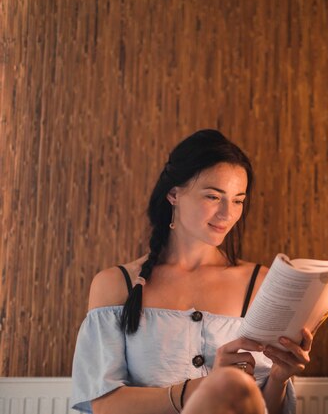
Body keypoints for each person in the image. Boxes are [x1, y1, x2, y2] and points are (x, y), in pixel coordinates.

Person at [71, 129, 312, 414]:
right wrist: (199, 390)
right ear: (174, 194)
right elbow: (104, 405)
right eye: (213, 197)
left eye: (238, 200)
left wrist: (278, 379)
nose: (227, 214)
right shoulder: (116, 285)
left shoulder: (261, 283)